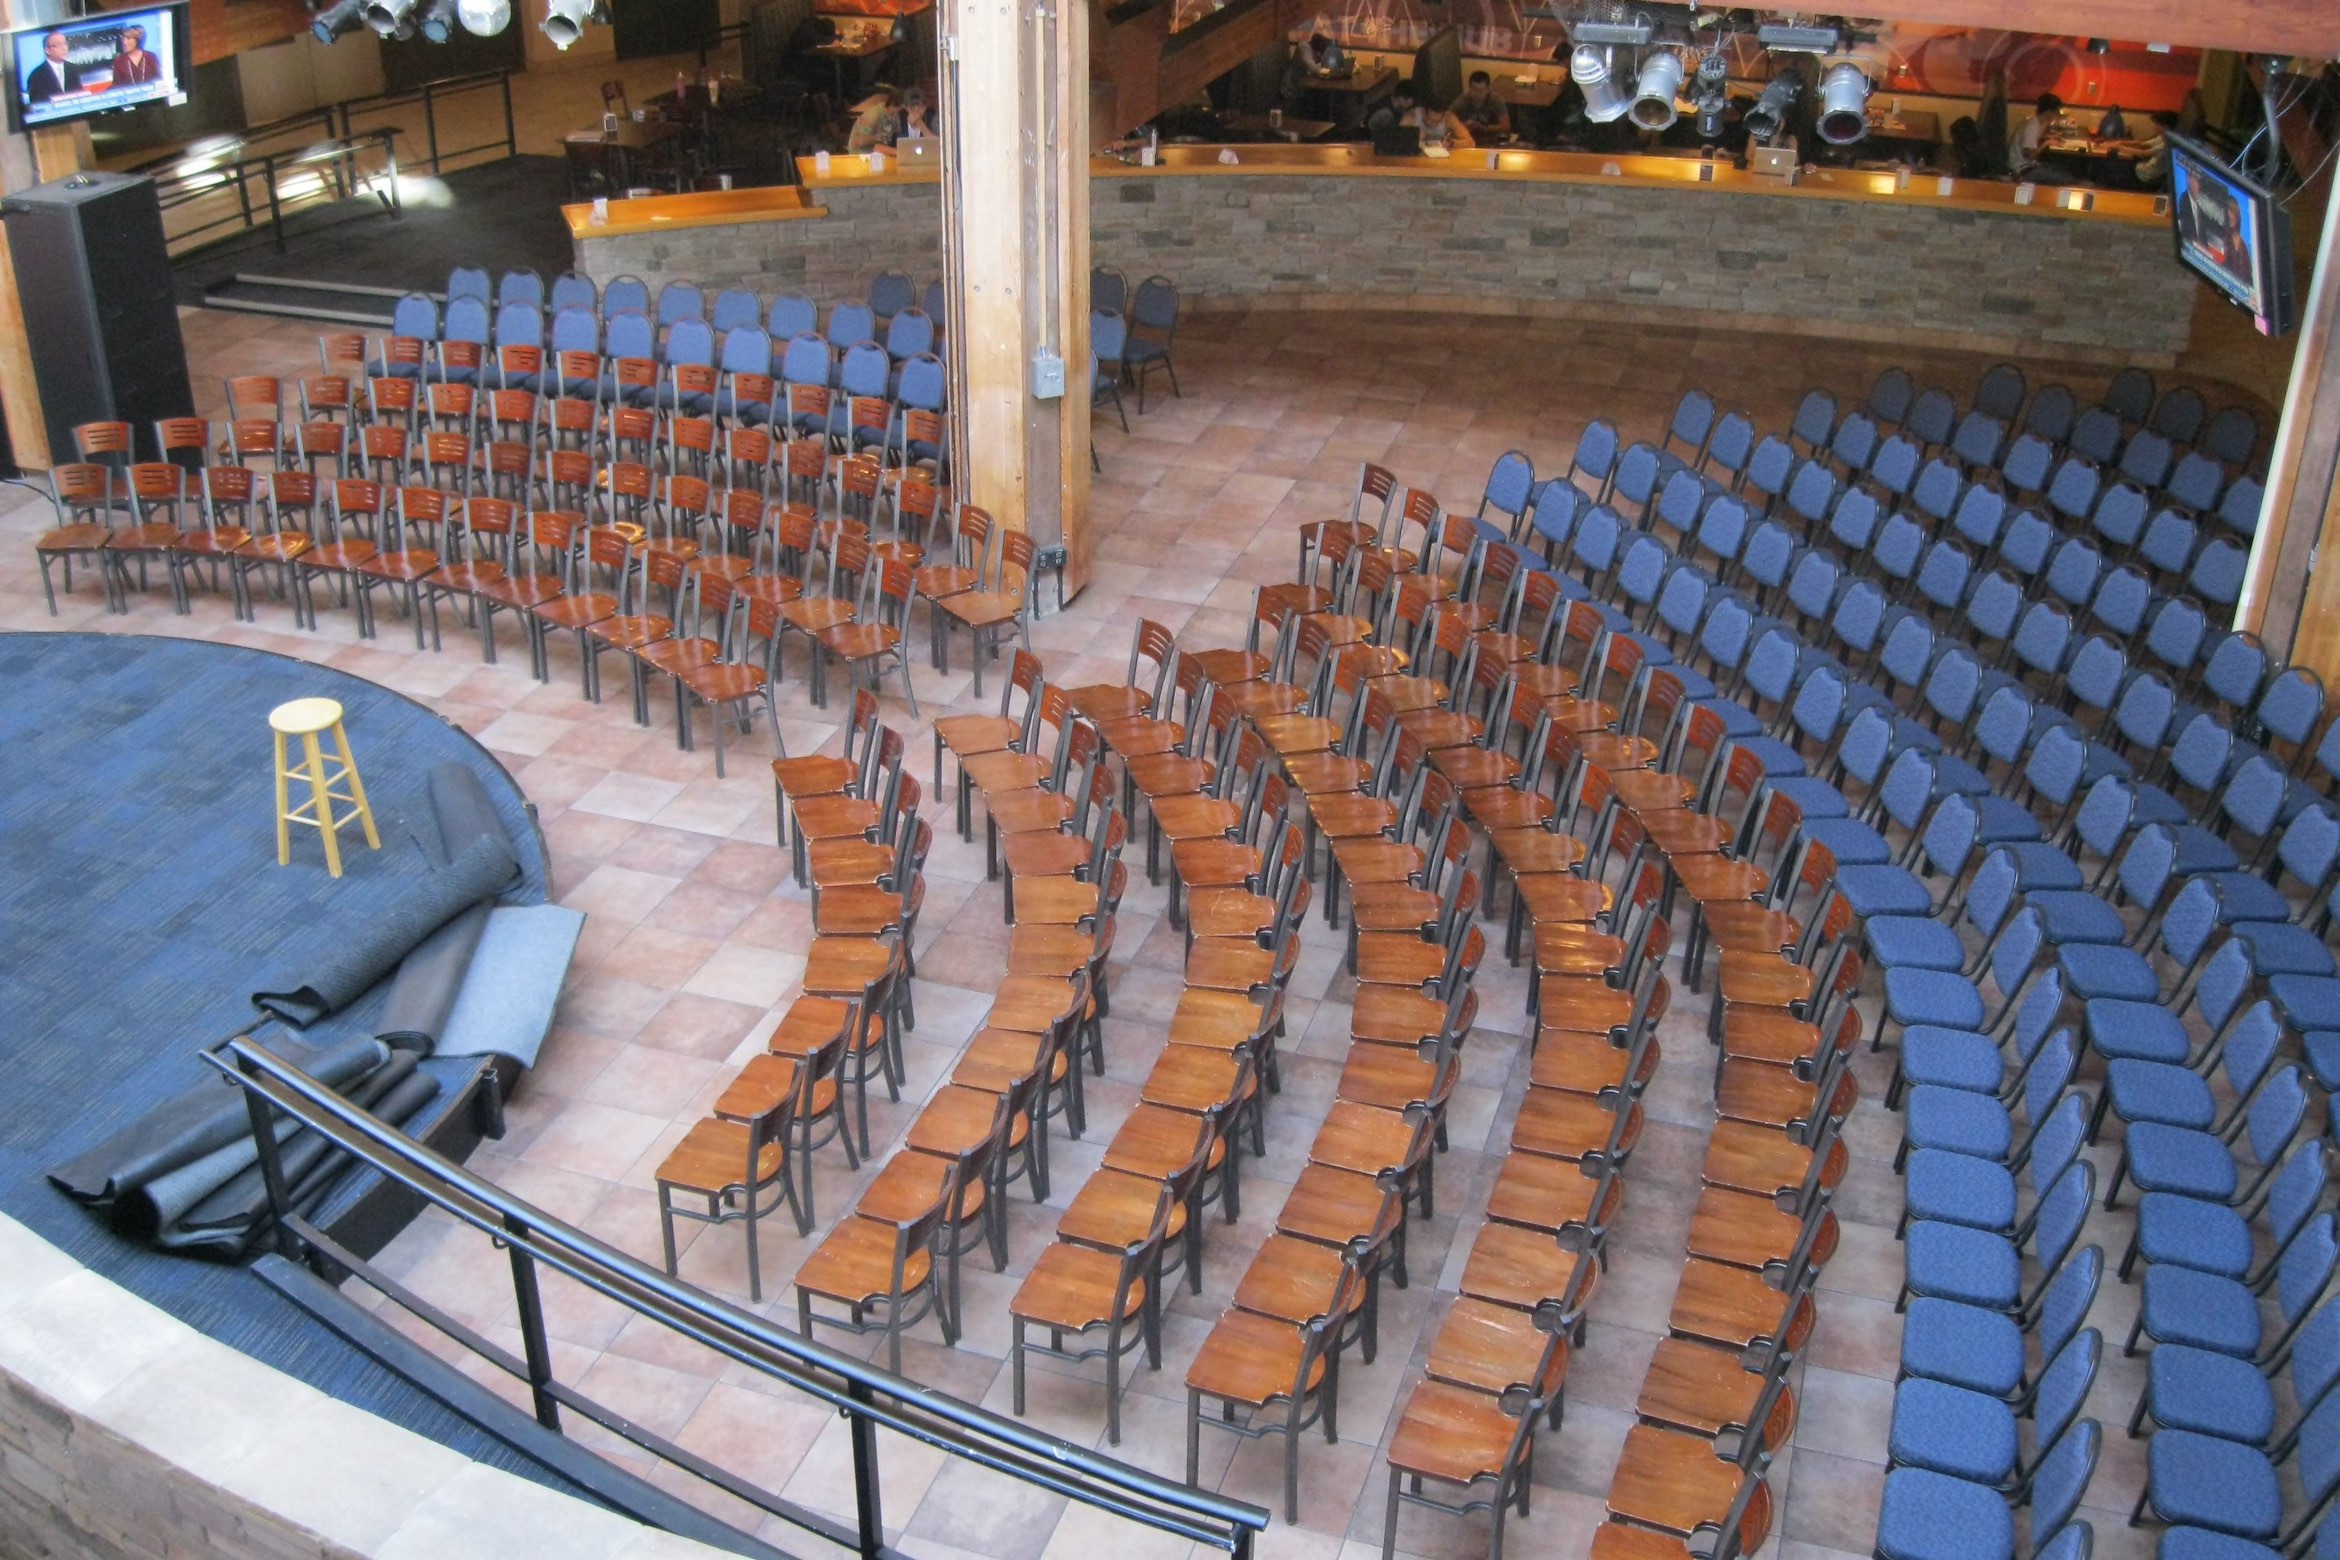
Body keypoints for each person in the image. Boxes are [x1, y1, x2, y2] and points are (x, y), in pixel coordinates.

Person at [2009, 91, 2069, 178]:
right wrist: (2046, 143)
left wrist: (2047, 138)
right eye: (2056, 112)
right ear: (2049, 112)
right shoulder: (2032, 126)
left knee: (2061, 169)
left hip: (2029, 165)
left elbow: (2032, 141)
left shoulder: (2035, 121)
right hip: (2021, 169)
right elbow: (2030, 155)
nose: (2057, 115)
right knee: (2063, 177)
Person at [1445, 70, 1510, 148]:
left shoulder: (1496, 100)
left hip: (1491, 141)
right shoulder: (1461, 101)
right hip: (1468, 140)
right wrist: (1463, 126)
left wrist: (1484, 128)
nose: (1477, 94)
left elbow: (1505, 126)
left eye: (1481, 90)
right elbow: (1447, 120)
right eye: (1474, 89)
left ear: (1488, 89)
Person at [24, 31, 82, 105]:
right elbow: (37, 104)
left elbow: (80, 95)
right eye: (58, 45)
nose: (64, 48)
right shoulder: (36, 76)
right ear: (47, 50)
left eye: (65, 43)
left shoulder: (73, 68)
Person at [2133, 109, 2178, 188]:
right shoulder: (2161, 137)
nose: (2153, 126)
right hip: (2143, 168)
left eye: (2156, 123)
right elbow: (2142, 143)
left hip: (2148, 175)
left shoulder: (2168, 143)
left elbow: (2144, 153)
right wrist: (2120, 143)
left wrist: (2119, 147)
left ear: (2165, 126)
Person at [845, 88, 899, 153]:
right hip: (860, 154)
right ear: (893, 104)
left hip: (876, 152)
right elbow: (860, 141)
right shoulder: (872, 116)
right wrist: (879, 137)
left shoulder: (893, 116)